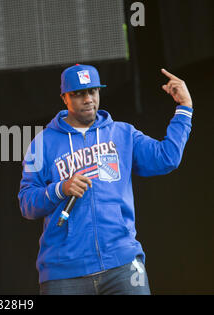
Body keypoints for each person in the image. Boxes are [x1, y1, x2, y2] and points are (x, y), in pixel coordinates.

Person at [18, 64, 193, 295]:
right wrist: (61, 188)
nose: (88, 99)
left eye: (93, 91)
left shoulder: (122, 133)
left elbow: (166, 158)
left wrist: (184, 108)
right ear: (64, 98)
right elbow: (26, 204)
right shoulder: (41, 144)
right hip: (65, 272)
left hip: (122, 263)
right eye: (78, 93)